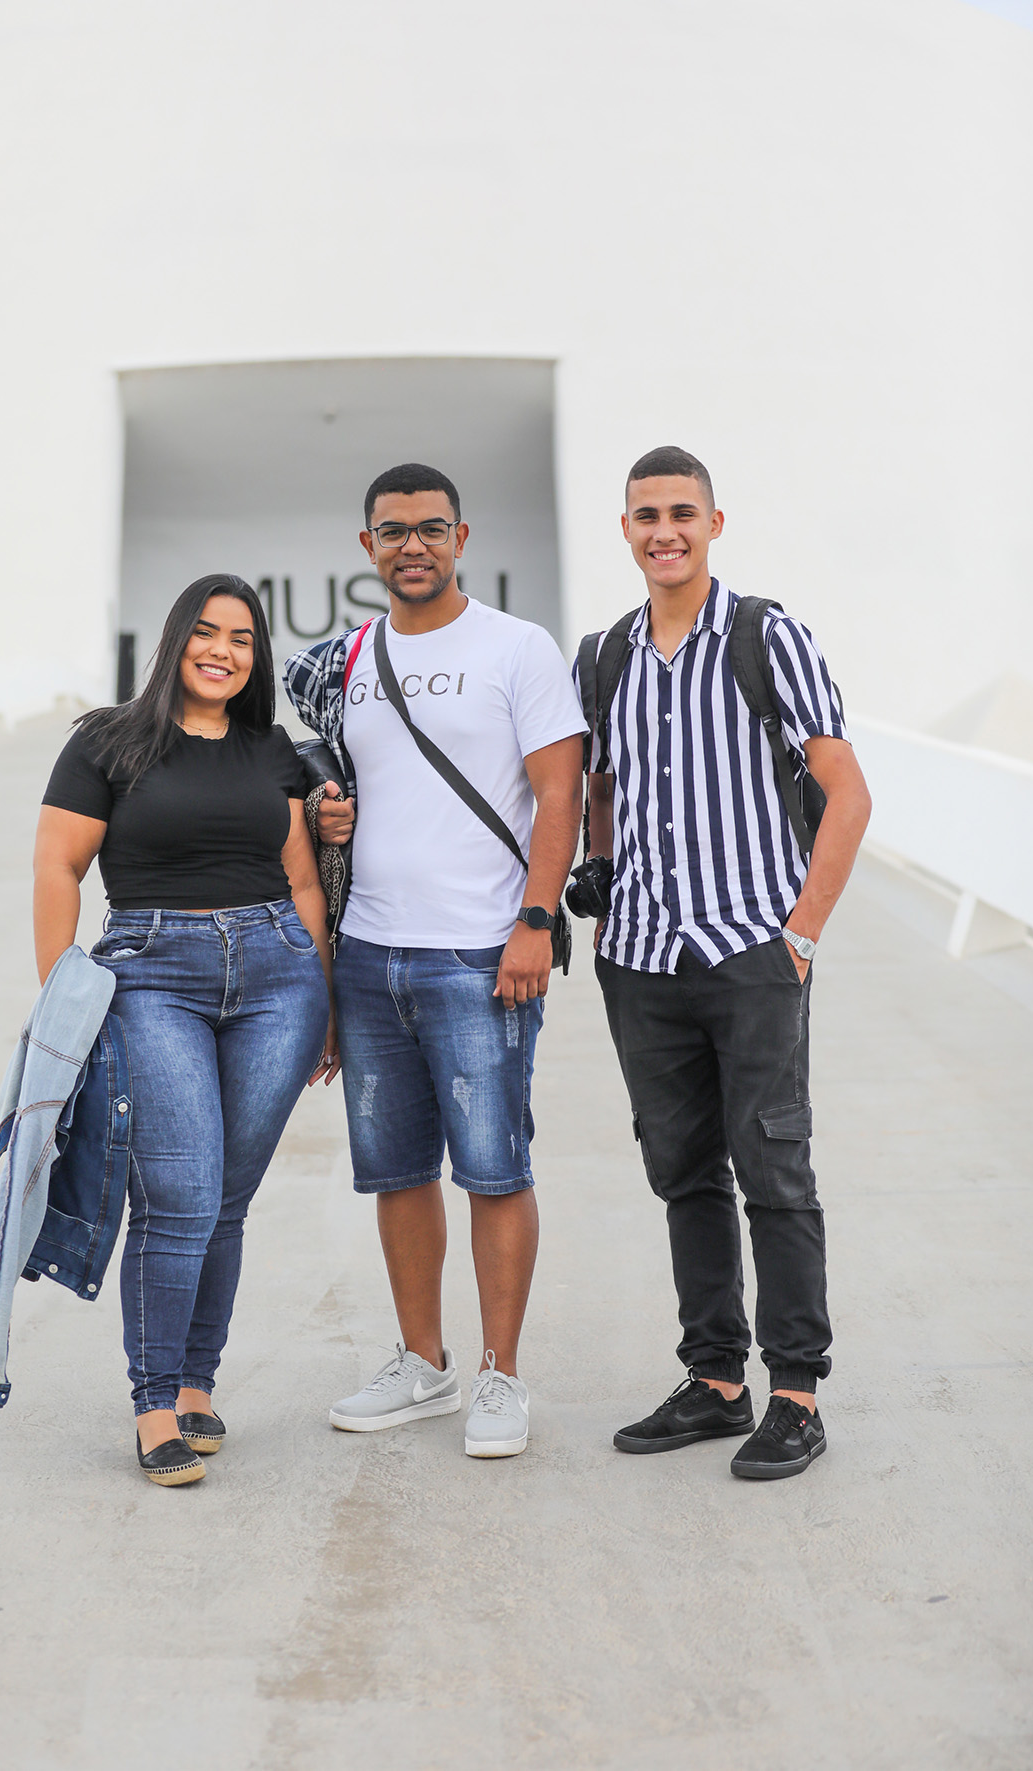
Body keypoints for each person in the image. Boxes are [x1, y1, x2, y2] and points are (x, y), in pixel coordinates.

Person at [284, 463, 585, 1458]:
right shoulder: (348, 658)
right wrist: (331, 813)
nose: (410, 544)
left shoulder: (516, 646)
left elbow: (558, 793)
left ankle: (500, 1375)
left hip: (479, 949)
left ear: (460, 536)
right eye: (391, 530)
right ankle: (423, 1363)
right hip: (370, 951)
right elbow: (350, 786)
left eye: (428, 527)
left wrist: (534, 918)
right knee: (397, 1171)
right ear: (366, 546)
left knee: (494, 1168)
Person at [584, 446, 871, 1480]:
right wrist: (601, 876)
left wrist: (801, 933)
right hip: (640, 956)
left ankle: (794, 1392)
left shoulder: (763, 636)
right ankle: (713, 1380)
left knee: (773, 1171)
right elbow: (600, 785)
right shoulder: (602, 656)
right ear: (624, 529)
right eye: (645, 514)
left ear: (713, 523)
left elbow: (846, 791)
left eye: (681, 512)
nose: (663, 530)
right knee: (682, 1174)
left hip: (751, 950)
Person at [35, 573, 336, 1486]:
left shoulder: (271, 749)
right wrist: (60, 997)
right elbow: (58, 866)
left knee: (227, 1197)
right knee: (181, 1194)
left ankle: (199, 1382)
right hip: (151, 974)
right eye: (206, 632)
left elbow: (303, 880)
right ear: (175, 640)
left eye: (241, 639)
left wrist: (323, 1000)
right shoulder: (106, 740)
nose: (222, 651)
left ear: (256, 658)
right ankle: (154, 1401)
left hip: (279, 976)